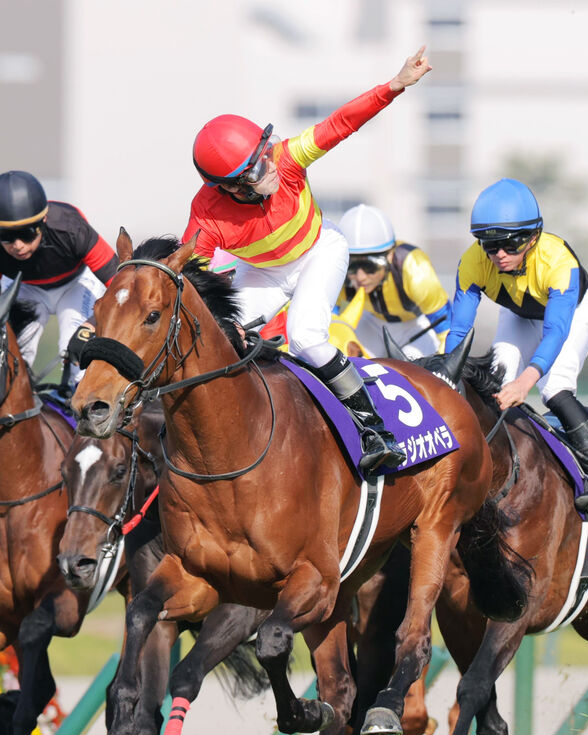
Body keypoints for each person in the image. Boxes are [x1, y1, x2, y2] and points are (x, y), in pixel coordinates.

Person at [183, 48, 433, 475]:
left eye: (264, 152)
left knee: (306, 339)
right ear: (228, 188)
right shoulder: (206, 215)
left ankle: (375, 430)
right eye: (254, 169)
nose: (269, 166)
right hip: (262, 273)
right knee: (219, 341)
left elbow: (341, 123)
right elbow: (191, 280)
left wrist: (394, 86)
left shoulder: (287, 157)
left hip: (320, 251)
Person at [443, 178, 588, 520]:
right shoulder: (472, 262)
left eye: (510, 243)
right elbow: (458, 331)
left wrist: (524, 383)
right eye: (490, 245)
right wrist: (446, 378)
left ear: (532, 237)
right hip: (519, 312)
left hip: (573, 313)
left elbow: (555, 333)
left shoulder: (558, 261)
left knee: (553, 388)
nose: (499, 254)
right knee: (494, 386)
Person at [0, 170, 118, 395]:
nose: (18, 245)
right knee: (12, 354)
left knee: (74, 345)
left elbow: (121, 286)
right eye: (7, 236)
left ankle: (84, 403)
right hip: (27, 288)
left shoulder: (70, 227)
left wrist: (91, 325)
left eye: (27, 233)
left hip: (75, 284)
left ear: (43, 221)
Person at [336, 204, 451, 359]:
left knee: (409, 367)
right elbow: (331, 321)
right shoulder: (340, 273)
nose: (360, 277)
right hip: (373, 324)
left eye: (370, 266)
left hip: (418, 327)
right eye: (352, 266)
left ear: (390, 256)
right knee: (348, 358)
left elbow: (445, 324)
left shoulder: (413, 267)